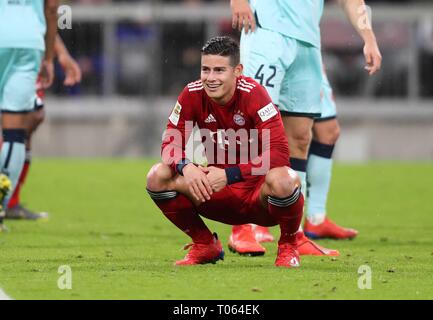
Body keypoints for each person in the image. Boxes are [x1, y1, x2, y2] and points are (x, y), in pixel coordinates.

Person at [228, 0, 382, 254]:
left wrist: (369, 37)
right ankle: (241, 227)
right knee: (253, 128)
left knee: (300, 137)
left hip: (308, 44)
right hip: (267, 33)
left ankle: (293, 234)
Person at [146, 36, 305, 267]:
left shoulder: (254, 94)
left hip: (257, 198)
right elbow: (170, 143)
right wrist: (186, 167)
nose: (210, 78)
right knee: (157, 176)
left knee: (284, 180)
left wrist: (230, 174)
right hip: (213, 193)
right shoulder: (191, 94)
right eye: (205, 69)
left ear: (237, 71)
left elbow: (279, 153)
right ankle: (205, 244)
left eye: (219, 70)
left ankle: (289, 246)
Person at [5, 35, 82, 220]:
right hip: (19, 53)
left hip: (27, 52)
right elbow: (50, 10)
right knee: (22, 120)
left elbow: (46, 17)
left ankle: (11, 201)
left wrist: (61, 54)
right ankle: (7, 201)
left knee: (27, 122)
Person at [0, 0, 59, 231]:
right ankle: (2, 205)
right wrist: (49, 58)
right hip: (28, 42)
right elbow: (53, 8)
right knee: (15, 134)